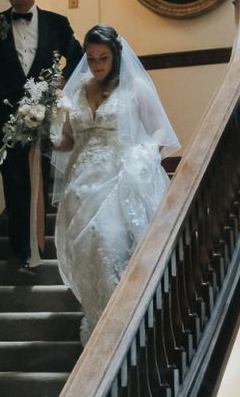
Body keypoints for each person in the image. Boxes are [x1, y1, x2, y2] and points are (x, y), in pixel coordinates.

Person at [51, 25, 180, 343]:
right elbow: (68, 140)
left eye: (103, 58)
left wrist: (146, 155)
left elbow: (160, 131)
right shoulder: (78, 89)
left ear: (116, 56)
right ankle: (99, 327)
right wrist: (46, 134)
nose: (96, 66)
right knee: (89, 255)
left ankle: (122, 332)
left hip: (119, 181)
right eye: (91, 58)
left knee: (108, 245)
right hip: (81, 186)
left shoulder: (134, 87)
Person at [0, 0, 82, 269]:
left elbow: (76, 55)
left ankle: (39, 245)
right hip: (3, 119)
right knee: (12, 183)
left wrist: (62, 81)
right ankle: (19, 251)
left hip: (44, 116)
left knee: (38, 182)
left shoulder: (56, 23)